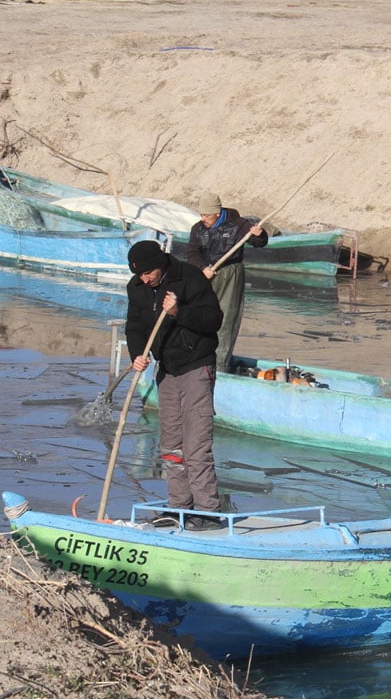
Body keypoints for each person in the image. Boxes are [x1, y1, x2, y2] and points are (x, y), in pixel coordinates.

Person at [124, 240, 226, 530]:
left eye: (148, 273)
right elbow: (134, 326)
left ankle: (208, 512)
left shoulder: (189, 278)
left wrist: (178, 312)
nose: (145, 279)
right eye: (140, 274)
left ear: (161, 264)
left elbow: (213, 320)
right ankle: (178, 507)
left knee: (196, 445)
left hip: (196, 366)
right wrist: (138, 355)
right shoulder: (137, 288)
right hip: (166, 369)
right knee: (171, 445)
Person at [185, 192, 268, 372]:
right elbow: (192, 253)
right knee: (199, 315)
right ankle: (197, 358)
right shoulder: (197, 229)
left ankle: (220, 365)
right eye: (201, 215)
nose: (203, 218)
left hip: (230, 274)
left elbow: (259, 243)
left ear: (217, 213)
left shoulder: (239, 224)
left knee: (226, 319)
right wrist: (202, 268)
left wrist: (259, 234)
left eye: (207, 215)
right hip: (206, 273)